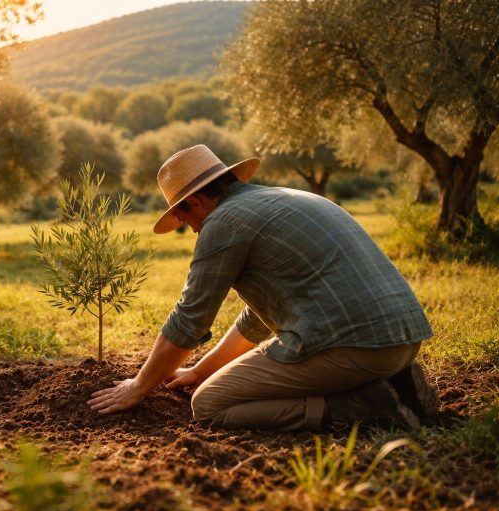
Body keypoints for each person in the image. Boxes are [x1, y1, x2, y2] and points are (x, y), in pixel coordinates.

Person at [87, 144, 439, 431]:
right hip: (402, 342)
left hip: (353, 349)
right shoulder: (285, 199)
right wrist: (198, 371)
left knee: (209, 404)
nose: (190, 228)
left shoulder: (224, 221)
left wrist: (139, 385)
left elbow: (188, 321)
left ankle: (360, 406)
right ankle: (393, 384)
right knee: (210, 385)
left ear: (193, 202)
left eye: (182, 217)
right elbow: (255, 320)